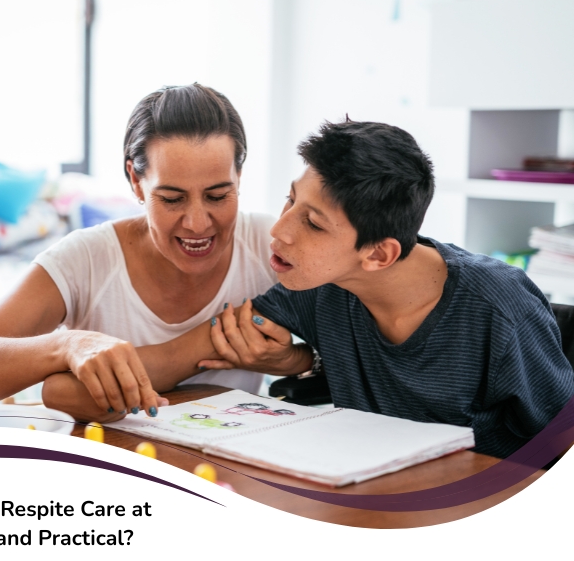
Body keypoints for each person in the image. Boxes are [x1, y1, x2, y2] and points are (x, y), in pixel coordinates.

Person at [193, 120, 574, 459]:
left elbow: (561, 445)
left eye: (312, 223)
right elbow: (187, 352)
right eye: (291, 199)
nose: (279, 229)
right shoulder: (323, 282)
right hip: (375, 493)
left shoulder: (498, 308)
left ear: (378, 254)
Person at [0, 84, 277, 421]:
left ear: (239, 176)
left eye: (218, 196)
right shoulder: (86, 260)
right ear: (136, 180)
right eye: (172, 199)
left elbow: (328, 349)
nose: (198, 223)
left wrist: (298, 359)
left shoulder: (268, 244)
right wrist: (68, 346)